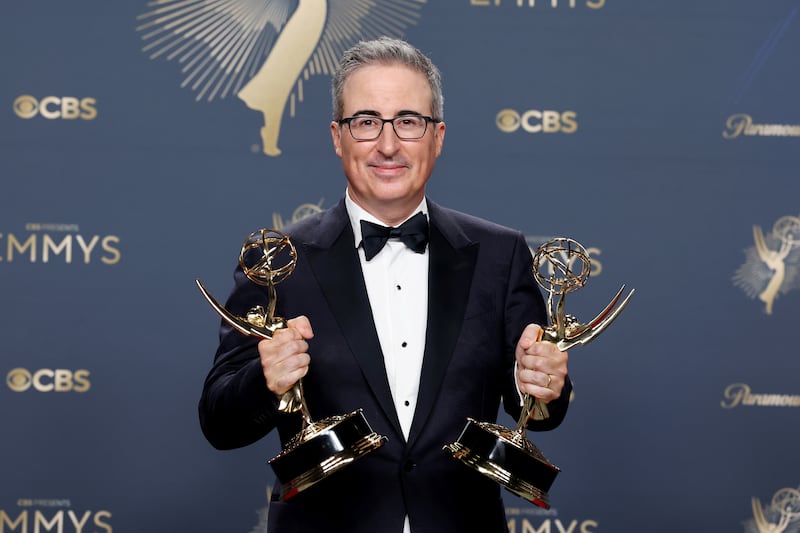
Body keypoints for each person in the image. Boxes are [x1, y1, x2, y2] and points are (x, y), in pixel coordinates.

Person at [199, 36, 572, 533]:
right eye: (366, 121)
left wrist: (546, 387)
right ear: (338, 137)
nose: (388, 144)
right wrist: (265, 380)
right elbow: (219, 423)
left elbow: (537, 410)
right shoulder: (278, 261)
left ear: (438, 137)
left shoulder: (500, 255)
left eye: (408, 121)